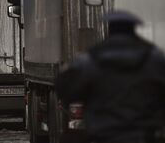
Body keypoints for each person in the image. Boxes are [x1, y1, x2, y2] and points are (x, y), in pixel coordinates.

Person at [56, 11, 165, 143]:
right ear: (133, 30)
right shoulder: (154, 58)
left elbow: (67, 90)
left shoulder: (90, 60)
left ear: (110, 30)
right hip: (144, 136)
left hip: (103, 136)